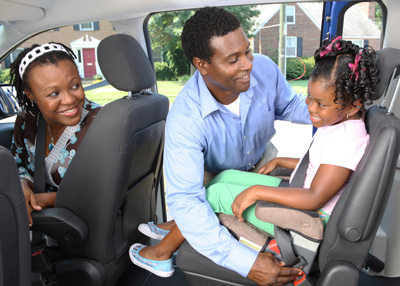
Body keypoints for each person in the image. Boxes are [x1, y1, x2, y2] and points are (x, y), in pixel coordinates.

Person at [130, 35, 378, 283]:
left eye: (320, 103)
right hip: (300, 193)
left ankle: (161, 253)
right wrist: (282, 161)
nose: (310, 107)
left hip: (306, 221)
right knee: (224, 177)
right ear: (202, 64)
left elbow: (315, 197)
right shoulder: (341, 123)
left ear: (353, 105)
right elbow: (319, 165)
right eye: (309, 98)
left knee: (213, 196)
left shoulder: (346, 138)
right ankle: (177, 226)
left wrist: (258, 191)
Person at [130, 7, 309, 285]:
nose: (248, 64)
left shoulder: (263, 68)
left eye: (247, 51)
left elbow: (290, 105)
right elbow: (187, 200)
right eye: (233, 59)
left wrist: (335, 112)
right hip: (209, 176)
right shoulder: (185, 120)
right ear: (202, 64)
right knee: (207, 198)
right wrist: (246, 263)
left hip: (263, 163)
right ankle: (170, 237)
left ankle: (169, 233)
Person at [9, 42, 101, 226]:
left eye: (75, 86)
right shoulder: (27, 120)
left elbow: (103, 191)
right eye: (53, 93)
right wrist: (23, 186)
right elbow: (18, 166)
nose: (68, 100)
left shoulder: (101, 123)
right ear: (30, 94)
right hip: (40, 229)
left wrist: (40, 200)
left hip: (80, 229)